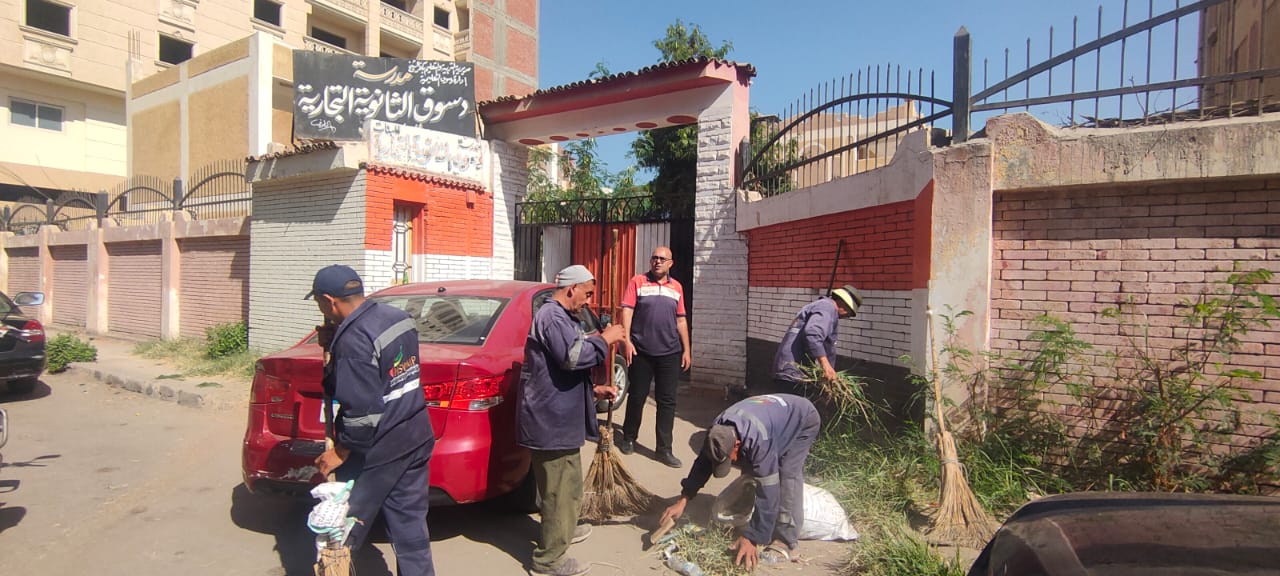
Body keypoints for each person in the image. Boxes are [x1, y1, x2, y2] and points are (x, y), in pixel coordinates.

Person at [309, 264, 436, 576]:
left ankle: (335, 569)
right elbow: (385, 373)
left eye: (319, 303)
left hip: (379, 448)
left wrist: (340, 452)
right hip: (415, 434)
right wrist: (335, 341)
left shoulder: (353, 341)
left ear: (329, 301)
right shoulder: (397, 317)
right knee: (410, 526)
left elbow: (363, 413)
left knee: (342, 525)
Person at [516, 264, 628, 576]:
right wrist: (605, 339)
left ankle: (563, 528)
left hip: (558, 417)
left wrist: (593, 390)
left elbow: (558, 370)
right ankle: (549, 561)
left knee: (567, 486)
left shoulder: (564, 317)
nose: (589, 300)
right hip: (549, 420)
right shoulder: (552, 317)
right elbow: (572, 357)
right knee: (558, 491)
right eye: (587, 294)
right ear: (571, 289)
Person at [658, 393, 821, 570]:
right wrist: (683, 500)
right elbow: (702, 464)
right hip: (770, 419)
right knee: (751, 472)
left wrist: (753, 538)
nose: (732, 462)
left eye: (730, 458)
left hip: (802, 418)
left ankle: (785, 538)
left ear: (736, 444)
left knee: (786, 474)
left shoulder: (760, 441)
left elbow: (768, 491)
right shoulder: (717, 431)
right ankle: (751, 521)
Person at [616, 246, 691, 467]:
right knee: (637, 396)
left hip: (670, 353)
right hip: (641, 352)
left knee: (667, 402)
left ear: (670, 263)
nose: (657, 261)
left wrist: (687, 349)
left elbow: (681, 320)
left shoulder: (677, 287)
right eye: (654, 258)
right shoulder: (638, 282)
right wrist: (626, 341)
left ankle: (664, 450)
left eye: (662, 259)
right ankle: (629, 438)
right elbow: (627, 311)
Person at [772, 284, 862, 387]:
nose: (847, 316)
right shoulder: (827, 307)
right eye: (850, 313)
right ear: (845, 304)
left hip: (791, 369)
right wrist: (826, 366)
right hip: (794, 372)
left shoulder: (822, 306)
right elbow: (813, 334)